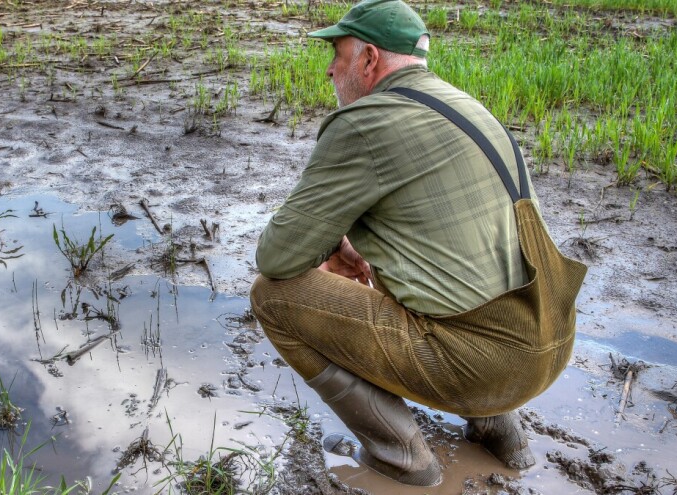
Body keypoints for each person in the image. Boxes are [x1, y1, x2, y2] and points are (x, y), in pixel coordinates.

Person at [249, 0, 587, 487]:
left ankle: (402, 460)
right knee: (420, 258)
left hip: (486, 367)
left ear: (368, 60)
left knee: (271, 295)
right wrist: (353, 243)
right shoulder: (465, 106)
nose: (329, 69)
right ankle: (500, 432)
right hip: (552, 343)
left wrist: (327, 244)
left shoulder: (365, 122)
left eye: (337, 55)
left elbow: (277, 256)